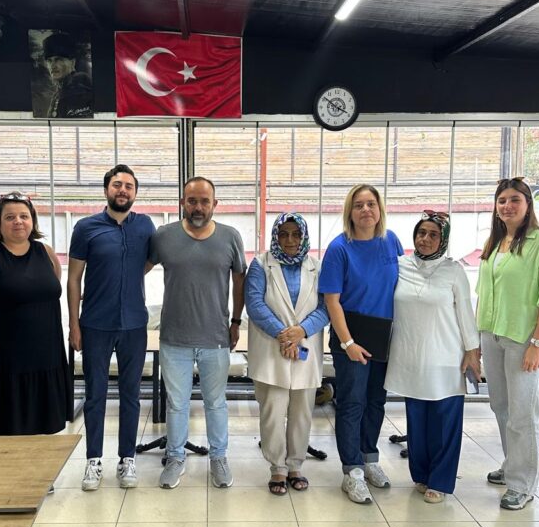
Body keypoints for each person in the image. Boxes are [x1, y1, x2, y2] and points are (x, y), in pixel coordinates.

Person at [148, 176, 246, 489]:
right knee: (177, 404)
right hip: (174, 338)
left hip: (215, 337)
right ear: (183, 203)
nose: (198, 207)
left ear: (215, 204)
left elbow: (240, 282)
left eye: (205, 201)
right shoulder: (164, 236)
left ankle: (219, 457)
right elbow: (136, 270)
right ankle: (175, 457)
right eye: (192, 201)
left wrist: (236, 321)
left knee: (215, 402)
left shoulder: (230, 237)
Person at [476, 177, 539, 510]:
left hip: (524, 340)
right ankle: (512, 464)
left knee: (523, 414)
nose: (507, 206)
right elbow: (484, 293)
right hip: (492, 335)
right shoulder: (495, 242)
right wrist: (477, 338)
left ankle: (522, 483)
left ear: (528, 204)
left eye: (515, 199)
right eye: (502, 200)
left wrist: (537, 343)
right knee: (501, 407)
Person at [68, 165, 156, 491]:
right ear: (107, 189)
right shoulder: (86, 228)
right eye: (117, 185)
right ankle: (93, 460)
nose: (123, 190)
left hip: (134, 324)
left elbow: (148, 262)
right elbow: (73, 279)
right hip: (95, 324)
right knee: (96, 395)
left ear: (135, 193)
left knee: (131, 395)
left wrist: (128, 277)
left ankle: (127, 458)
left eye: (129, 186)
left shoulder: (145, 226)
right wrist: (73, 324)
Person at [385, 211, 481, 503]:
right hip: (411, 358)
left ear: (444, 240)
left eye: (433, 234)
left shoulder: (453, 270)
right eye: (421, 233)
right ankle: (422, 475)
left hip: (446, 358)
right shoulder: (400, 266)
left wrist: (472, 352)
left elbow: (465, 314)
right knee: (417, 422)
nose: (425, 239)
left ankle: (440, 481)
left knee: (445, 423)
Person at [0, 192, 72, 436]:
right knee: (4, 438)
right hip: (4, 365)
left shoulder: (46, 253)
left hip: (45, 362)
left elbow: (49, 294)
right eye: (10, 217)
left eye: (24, 216)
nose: (18, 221)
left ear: (33, 221)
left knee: (43, 437)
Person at [319, 183, 403, 504]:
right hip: (350, 335)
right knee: (352, 403)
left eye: (371, 204)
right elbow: (332, 300)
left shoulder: (390, 241)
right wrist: (348, 343)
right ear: (350, 212)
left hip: (384, 335)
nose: (366, 210)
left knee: (376, 401)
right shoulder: (339, 249)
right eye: (359, 205)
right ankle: (352, 471)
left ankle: (369, 459)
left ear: (379, 209)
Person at [245, 213, 328, 494]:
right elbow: (255, 304)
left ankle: (295, 465)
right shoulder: (260, 264)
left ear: (304, 237)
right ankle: (277, 468)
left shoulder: (317, 266)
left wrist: (300, 331)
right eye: (283, 234)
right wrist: (284, 334)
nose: (290, 240)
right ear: (275, 236)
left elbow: (326, 307)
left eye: (296, 234)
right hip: (271, 347)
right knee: (273, 410)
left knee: (302, 412)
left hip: (305, 346)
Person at [43, 32, 94, 118]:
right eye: (49, 61)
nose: (52, 66)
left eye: (58, 59)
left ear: (72, 62)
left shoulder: (79, 89)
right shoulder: (59, 91)